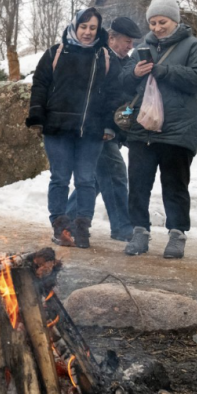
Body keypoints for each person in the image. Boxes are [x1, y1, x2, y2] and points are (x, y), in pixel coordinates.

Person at [120, 0, 197, 259]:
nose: (157, 27)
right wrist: (134, 73)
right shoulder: (141, 48)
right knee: (138, 184)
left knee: (174, 185)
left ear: (175, 21)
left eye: (163, 21)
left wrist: (164, 71)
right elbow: (122, 81)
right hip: (142, 129)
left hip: (177, 130)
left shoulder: (193, 46)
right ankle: (139, 232)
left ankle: (177, 234)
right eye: (153, 22)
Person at [26, 7, 116, 249]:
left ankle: (82, 227)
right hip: (58, 129)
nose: (87, 32)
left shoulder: (104, 57)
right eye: (83, 26)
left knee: (86, 180)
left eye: (92, 28)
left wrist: (109, 124)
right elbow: (40, 85)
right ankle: (60, 225)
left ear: (99, 30)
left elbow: (111, 94)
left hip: (91, 131)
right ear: (75, 26)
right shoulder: (56, 53)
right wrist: (37, 116)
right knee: (60, 178)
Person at [67, 16, 144, 241]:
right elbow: (93, 98)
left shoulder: (121, 62)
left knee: (97, 180)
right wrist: (105, 127)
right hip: (99, 131)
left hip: (110, 131)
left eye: (133, 42)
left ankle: (67, 222)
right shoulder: (99, 59)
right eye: (128, 41)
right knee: (115, 174)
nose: (131, 46)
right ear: (112, 38)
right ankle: (122, 228)